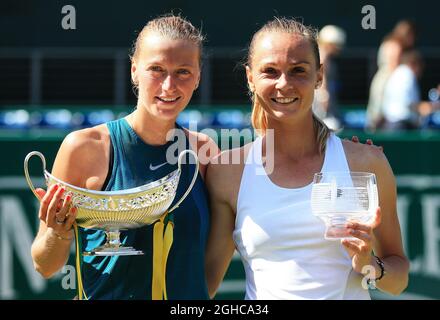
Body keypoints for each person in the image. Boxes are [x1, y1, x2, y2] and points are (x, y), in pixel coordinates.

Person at [205, 17, 409, 299]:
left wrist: (369, 265)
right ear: (250, 78)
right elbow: (205, 286)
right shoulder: (227, 172)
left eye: (298, 70)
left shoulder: (366, 163)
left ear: (319, 76)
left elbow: (398, 280)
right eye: (270, 71)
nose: (284, 83)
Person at [30, 14, 219, 300]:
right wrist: (58, 233)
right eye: (156, 69)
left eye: (183, 72)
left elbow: (209, 267)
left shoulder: (205, 153)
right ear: (134, 71)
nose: (169, 86)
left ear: (198, 76)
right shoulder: (83, 147)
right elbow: (44, 265)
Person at [312, 25, 346, 130]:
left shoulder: (319, 54)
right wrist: (324, 95)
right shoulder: (323, 55)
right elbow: (322, 78)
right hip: (318, 104)